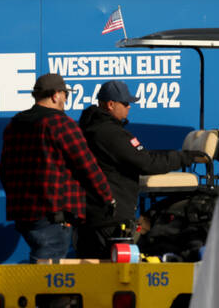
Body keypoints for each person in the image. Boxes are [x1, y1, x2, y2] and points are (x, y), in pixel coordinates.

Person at [76, 79, 205, 259]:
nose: (129, 107)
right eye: (126, 103)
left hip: (92, 216)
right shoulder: (110, 132)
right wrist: (185, 158)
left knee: (92, 276)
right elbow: (147, 163)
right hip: (110, 218)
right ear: (111, 104)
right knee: (118, 278)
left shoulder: (88, 127)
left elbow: (142, 157)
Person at [0, 73, 115, 262]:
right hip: (53, 213)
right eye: (65, 95)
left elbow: (4, 170)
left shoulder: (14, 125)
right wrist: (107, 197)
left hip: (23, 212)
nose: (66, 100)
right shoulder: (60, 123)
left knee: (43, 261)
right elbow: (86, 165)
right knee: (49, 273)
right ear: (56, 95)